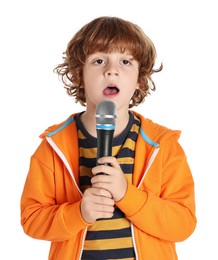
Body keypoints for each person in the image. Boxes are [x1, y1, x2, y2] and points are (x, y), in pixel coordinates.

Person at [20, 16, 197, 260]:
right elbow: (32, 220)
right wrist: (78, 212)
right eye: (99, 60)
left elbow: (182, 224)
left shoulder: (162, 145)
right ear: (79, 76)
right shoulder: (52, 147)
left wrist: (126, 194)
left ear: (139, 79)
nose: (111, 69)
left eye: (125, 61)